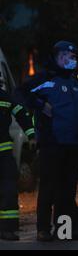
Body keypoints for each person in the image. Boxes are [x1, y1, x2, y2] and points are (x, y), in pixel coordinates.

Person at [15, 40, 78, 241]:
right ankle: (43, 229)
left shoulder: (74, 82)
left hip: (73, 144)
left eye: (74, 57)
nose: (73, 60)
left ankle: (65, 231)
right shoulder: (45, 79)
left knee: (68, 190)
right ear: (59, 57)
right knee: (49, 187)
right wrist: (40, 105)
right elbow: (20, 93)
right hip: (53, 143)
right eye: (70, 57)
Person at [0, 84, 35, 241]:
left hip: (4, 153)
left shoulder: (4, 96)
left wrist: (31, 134)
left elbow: (21, 113)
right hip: (5, 154)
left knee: (9, 190)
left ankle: (8, 229)